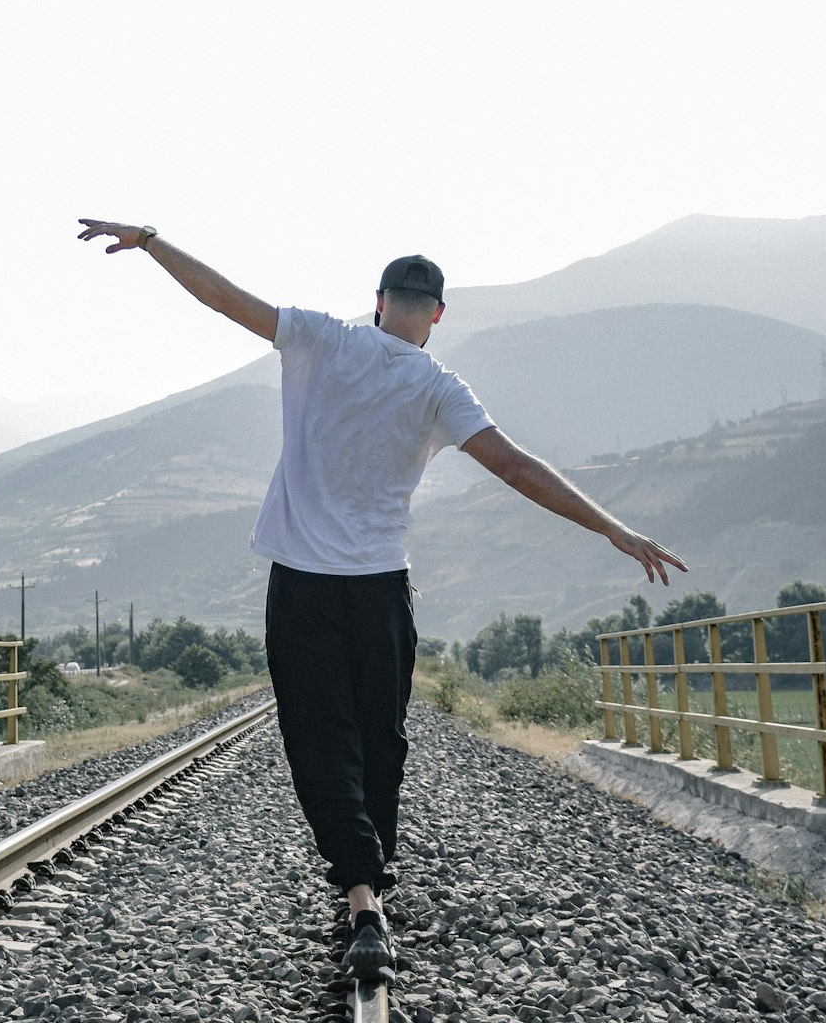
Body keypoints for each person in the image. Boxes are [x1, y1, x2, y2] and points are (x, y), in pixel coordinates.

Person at [77, 220, 687, 979]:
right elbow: (516, 467)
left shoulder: (323, 340)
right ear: (435, 314)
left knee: (319, 739)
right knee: (379, 743)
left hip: (300, 585)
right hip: (379, 591)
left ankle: (362, 895)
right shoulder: (440, 386)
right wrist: (613, 527)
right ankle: (370, 891)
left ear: (378, 303)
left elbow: (227, 299)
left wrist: (153, 241)